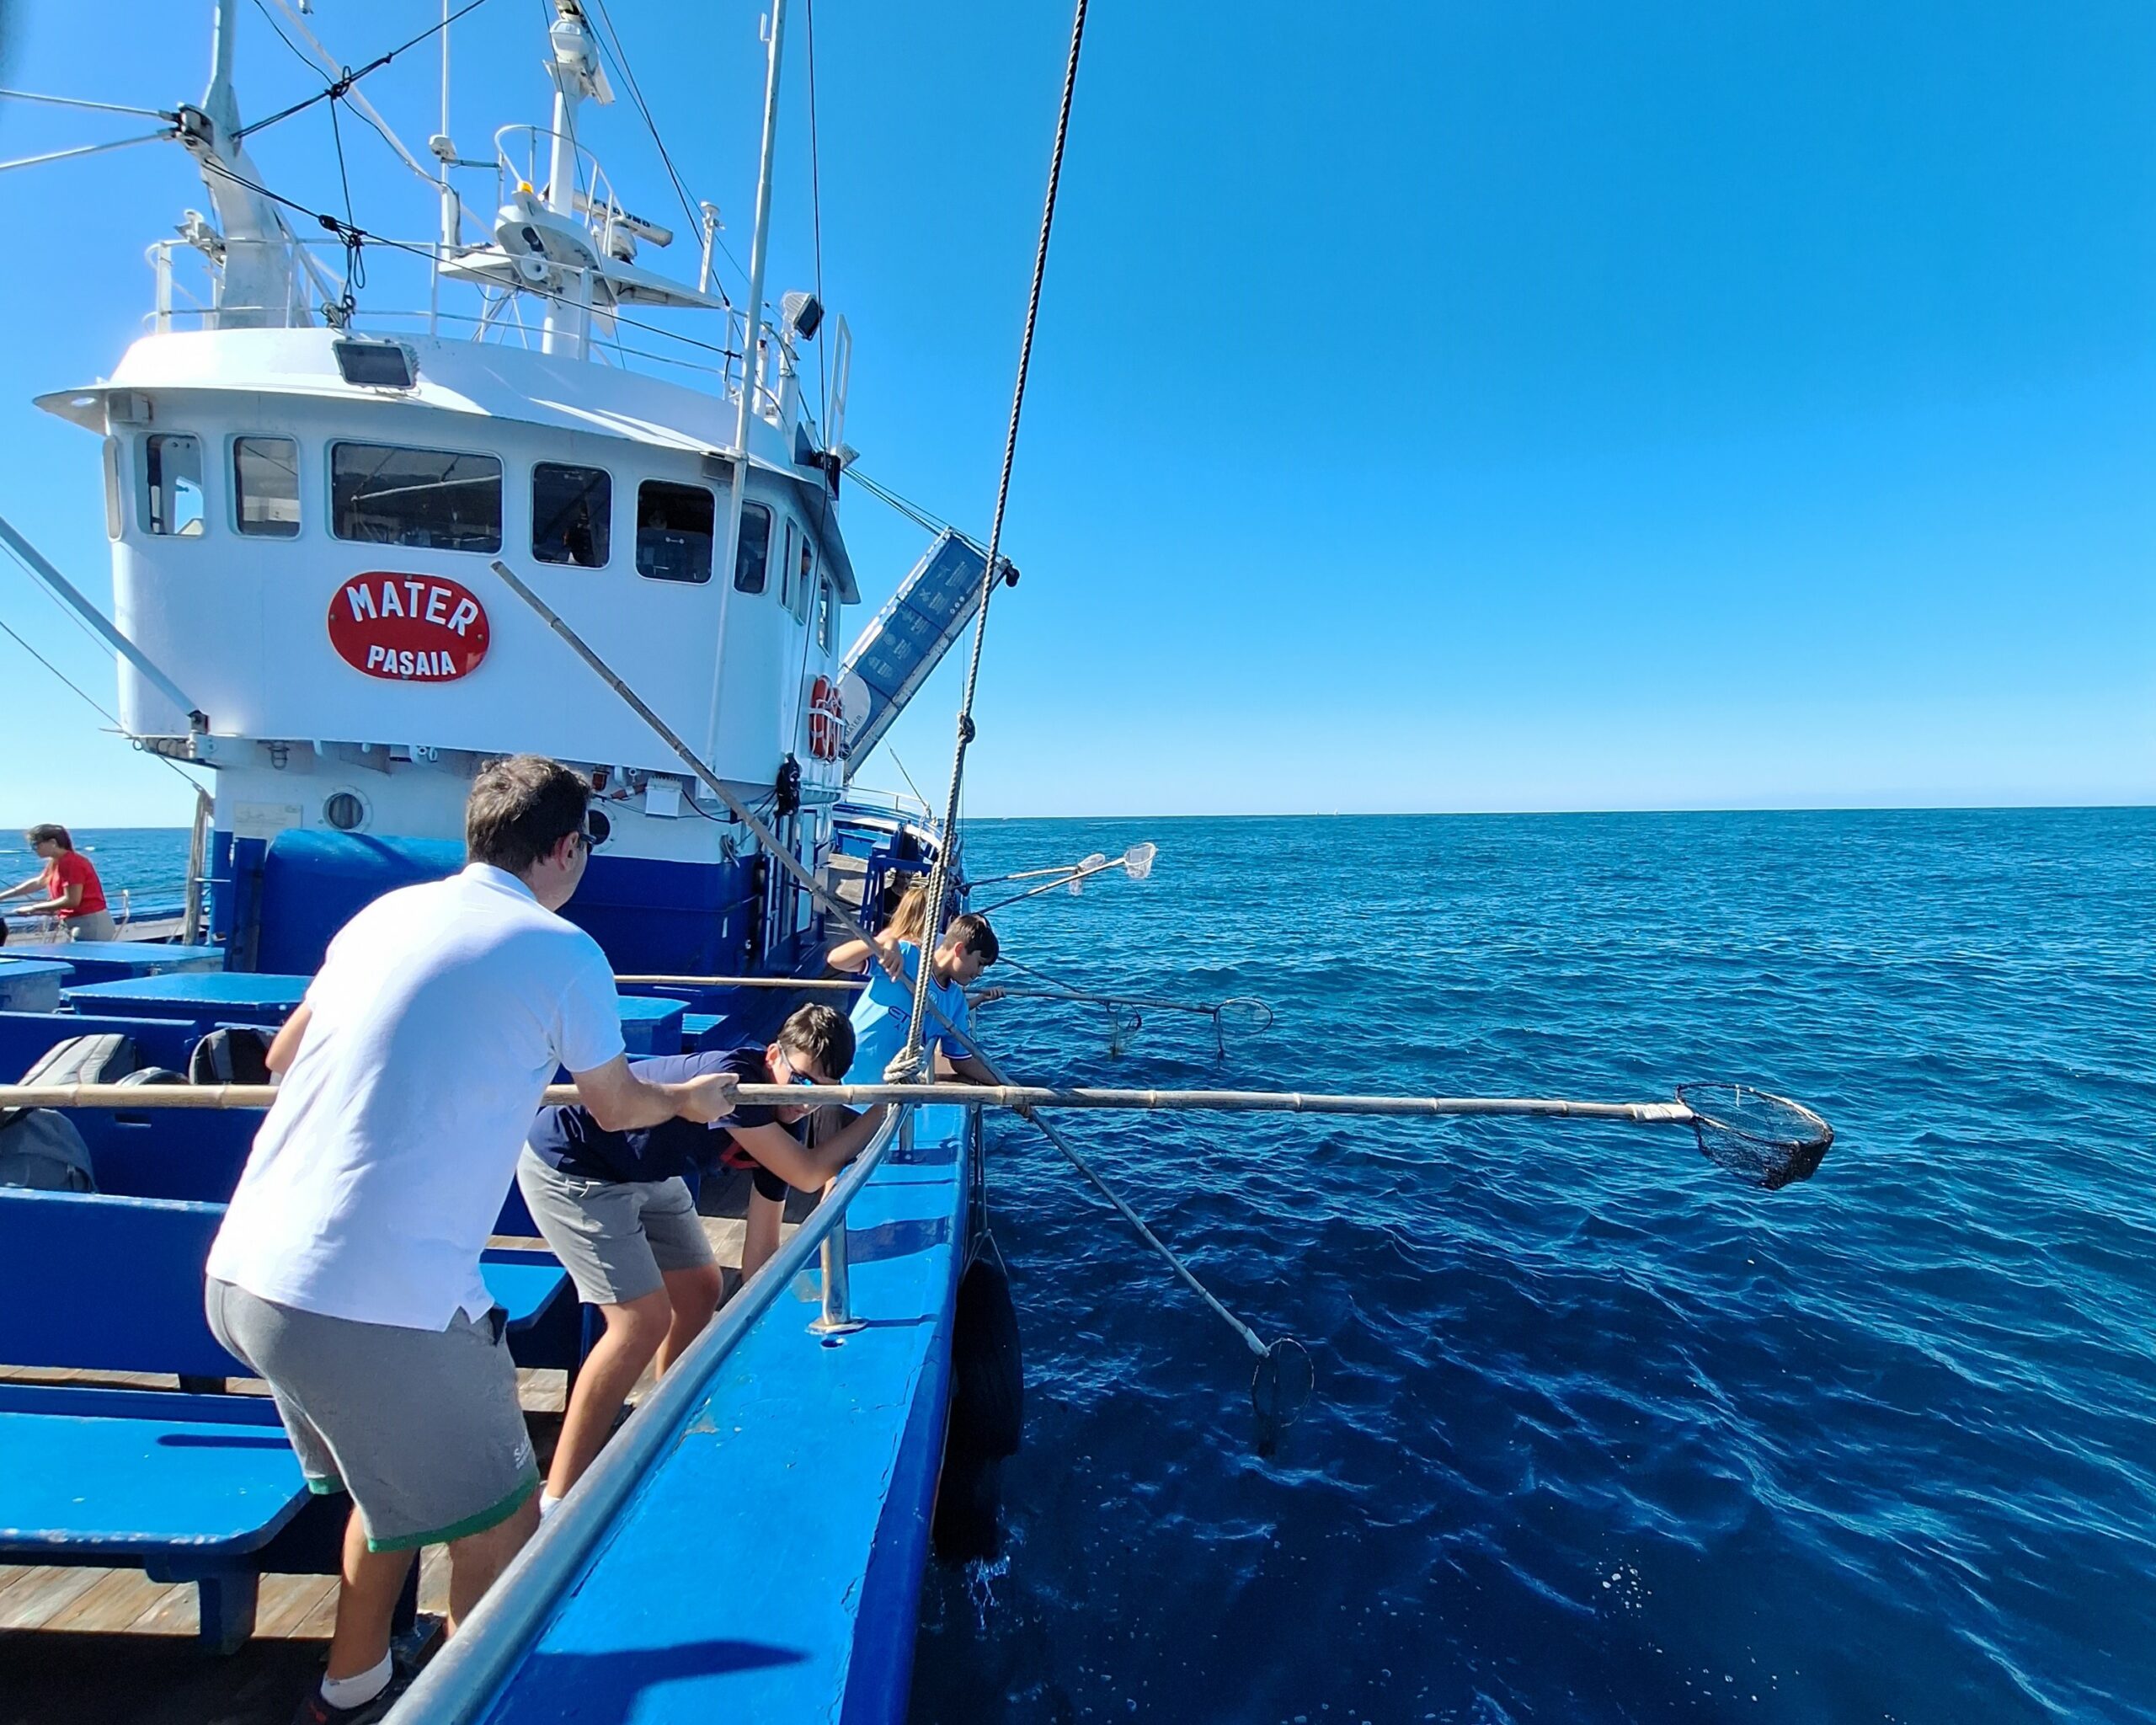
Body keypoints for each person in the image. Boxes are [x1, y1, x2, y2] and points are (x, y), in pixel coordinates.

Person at [202, 756, 738, 1725]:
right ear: (567, 847)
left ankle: (354, 1688)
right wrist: (692, 1096)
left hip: (244, 1273)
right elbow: (616, 1106)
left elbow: (282, 1058)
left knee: (395, 1480)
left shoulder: (381, 916)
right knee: (501, 1520)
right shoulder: (563, 948)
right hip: (372, 1302)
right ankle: (472, 1705)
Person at [516, 1003, 889, 1511]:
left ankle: (660, 1421)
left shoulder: (784, 1114)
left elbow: (760, 1252)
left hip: (647, 1169)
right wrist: (881, 1111)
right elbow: (807, 1173)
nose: (803, 1103)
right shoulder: (738, 1080)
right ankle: (558, 1499)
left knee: (701, 1290)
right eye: (800, 1082)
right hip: (574, 1165)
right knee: (637, 1323)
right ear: (773, 1055)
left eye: (819, 1095)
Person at [828, 911, 1001, 1085]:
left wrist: (1005, 1085)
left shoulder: (957, 1004)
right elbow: (837, 960)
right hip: (843, 1074)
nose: (980, 973)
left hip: (888, 1095)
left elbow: (962, 1060)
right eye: (980, 963)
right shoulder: (906, 955)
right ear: (959, 949)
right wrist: (884, 940)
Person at [0, 825, 115, 942]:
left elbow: (72, 900)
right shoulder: (56, 862)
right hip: (76, 922)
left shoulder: (71, 863)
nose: (33, 849)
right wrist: (3, 896)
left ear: (52, 842)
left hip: (89, 922)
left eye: (35, 845)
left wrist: (33, 908)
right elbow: (39, 882)